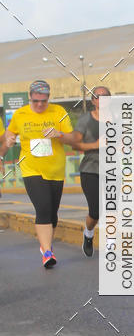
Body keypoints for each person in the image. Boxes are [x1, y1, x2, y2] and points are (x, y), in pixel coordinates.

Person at [0, 80, 73, 267]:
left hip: (55, 170)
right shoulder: (20, 114)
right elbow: (8, 138)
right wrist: (4, 150)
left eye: (43, 100)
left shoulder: (58, 112)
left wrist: (59, 134)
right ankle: (47, 252)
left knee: (52, 213)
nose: (40, 104)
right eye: (35, 101)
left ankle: (45, 245)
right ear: (29, 98)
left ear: (48, 98)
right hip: (31, 168)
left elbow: (73, 138)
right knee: (43, 208)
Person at [60, 86, 111, 257]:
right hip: (90, 169)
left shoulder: (118, 119)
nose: (101, 99)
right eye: (98, 96)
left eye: (105, 96)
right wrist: (95, 145)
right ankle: (88, 234)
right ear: (93, 100)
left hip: (112, 170)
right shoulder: (85, 120)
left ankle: (110, 245)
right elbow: (75, 144)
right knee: (96, 210)